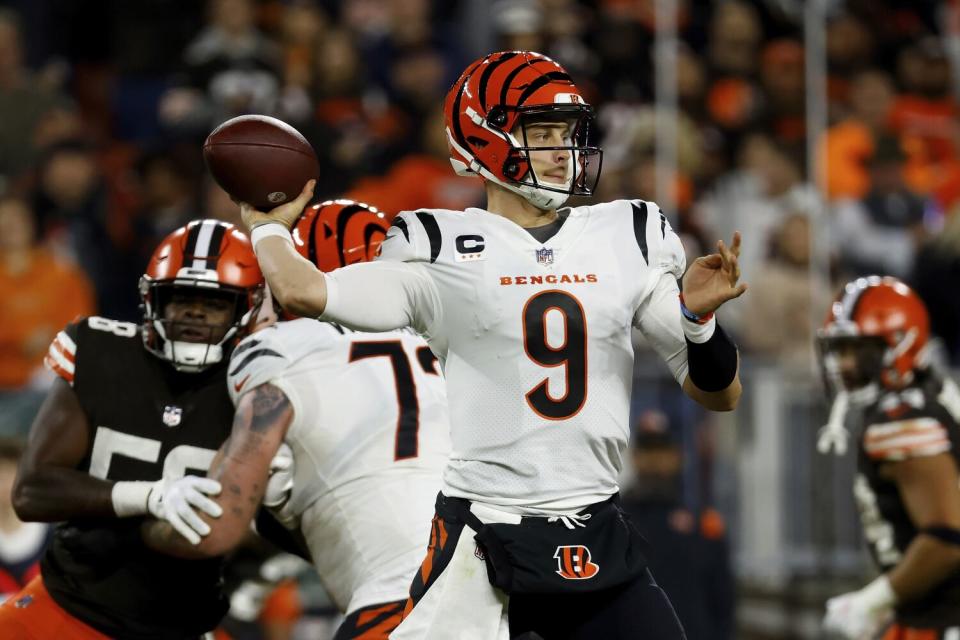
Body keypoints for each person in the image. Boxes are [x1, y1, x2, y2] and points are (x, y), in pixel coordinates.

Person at [242, 50, 746, 639]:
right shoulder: (439, 244)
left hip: (595, 524)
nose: (562, 149)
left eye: (566, 131)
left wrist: (698, 322)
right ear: (485, 139)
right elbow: (303, 291)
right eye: (541, 131)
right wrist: (267, 227)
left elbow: (719, 393)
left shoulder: (625, 234)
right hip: (481, 540)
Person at [140, 200, 452, 640]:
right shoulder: (445, 348)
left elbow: (218, 526)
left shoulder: (278, 349)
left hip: (401, 609)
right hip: (503, 602)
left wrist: (141, 527)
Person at [0, 219, 265, 639]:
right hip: (70, 605)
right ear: (152, 300)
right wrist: (148, 495)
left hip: (182, 622)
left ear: (245, 308)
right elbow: (31, 492)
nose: (195, 311)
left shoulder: (261, 385)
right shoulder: (101, 352)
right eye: (181, 297)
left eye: (213, 302)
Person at [817, 276, 960, 639]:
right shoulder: (932, 391)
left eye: (856, 350)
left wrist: (871, 602)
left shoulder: (900, 420)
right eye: (840, 349)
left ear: (898, 344)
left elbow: (947, 538)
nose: (843, 364)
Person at [621, 413, 735, 640]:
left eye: (662, 451)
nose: (655, 461)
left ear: (678, 457)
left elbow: (723, 603)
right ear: (635, 457)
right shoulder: (615, 520)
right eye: (648, 452)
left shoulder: (704, 525)